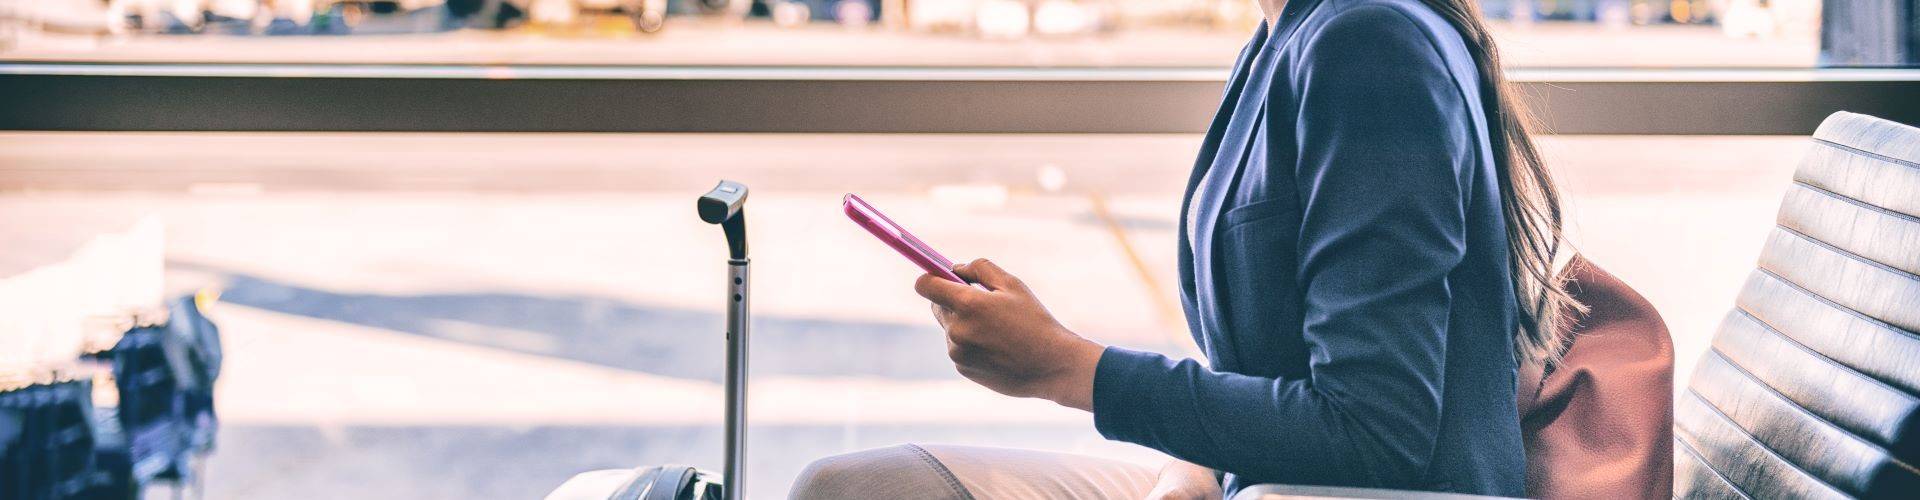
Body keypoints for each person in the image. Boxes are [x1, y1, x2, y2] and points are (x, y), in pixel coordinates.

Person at [791, 0, 1581, 498]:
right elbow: (1285, 367)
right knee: (854, 484)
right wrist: (1195, 466)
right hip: (1261, 483)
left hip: (1347, 495)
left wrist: (1067, 367)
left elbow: (1380, 431)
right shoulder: (1285, 35)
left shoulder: (1367, 43)